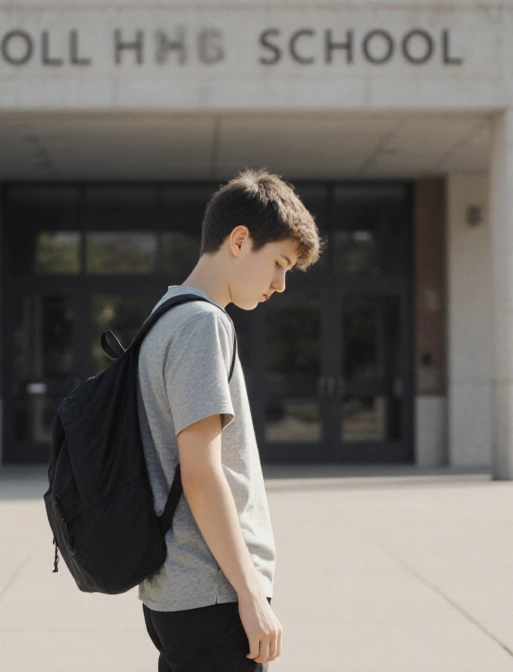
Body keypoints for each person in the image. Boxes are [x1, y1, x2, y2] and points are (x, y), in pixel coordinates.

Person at [137, 169, 322, 671]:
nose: (280, 285)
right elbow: (201, 472)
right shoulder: (203, 324)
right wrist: (251, 593)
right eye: (279, 263)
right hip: (213, 593)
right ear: (239, 241)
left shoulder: (165, 315)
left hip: (180, 589)